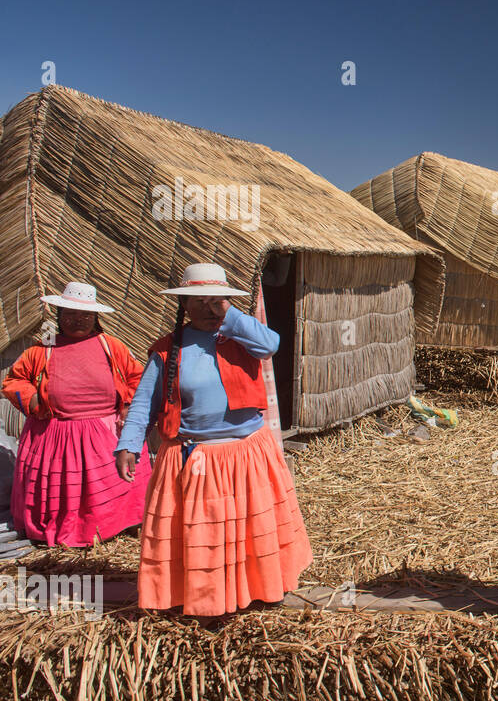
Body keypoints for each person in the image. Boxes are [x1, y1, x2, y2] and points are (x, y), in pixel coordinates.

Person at [114, 264, 311, 616]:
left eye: (215, 302)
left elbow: (272, 344)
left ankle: (260, 588)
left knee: (252, 529)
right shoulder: (167, 350)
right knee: (204, 536)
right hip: (194, 457)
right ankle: (202, 598)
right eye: (198, 302)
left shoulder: (240, 339)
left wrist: (227, 312)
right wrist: (129, 444)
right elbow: (144, 401)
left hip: (245, 455)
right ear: (184, 306)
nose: (208, 310)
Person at [2, 282, 150, 548]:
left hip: (105, 432)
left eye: (85, 315)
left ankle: (114, 528)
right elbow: (13, 382)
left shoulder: (111, 346)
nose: (77, 320)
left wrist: (127, 406)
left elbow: (137, 378)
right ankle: (66, 530)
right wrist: (34, 401)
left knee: (110, 489)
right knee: (64, 492)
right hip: (55, 435)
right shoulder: (42, 349)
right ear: (59, 315)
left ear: (95, 318)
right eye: (70, 314)